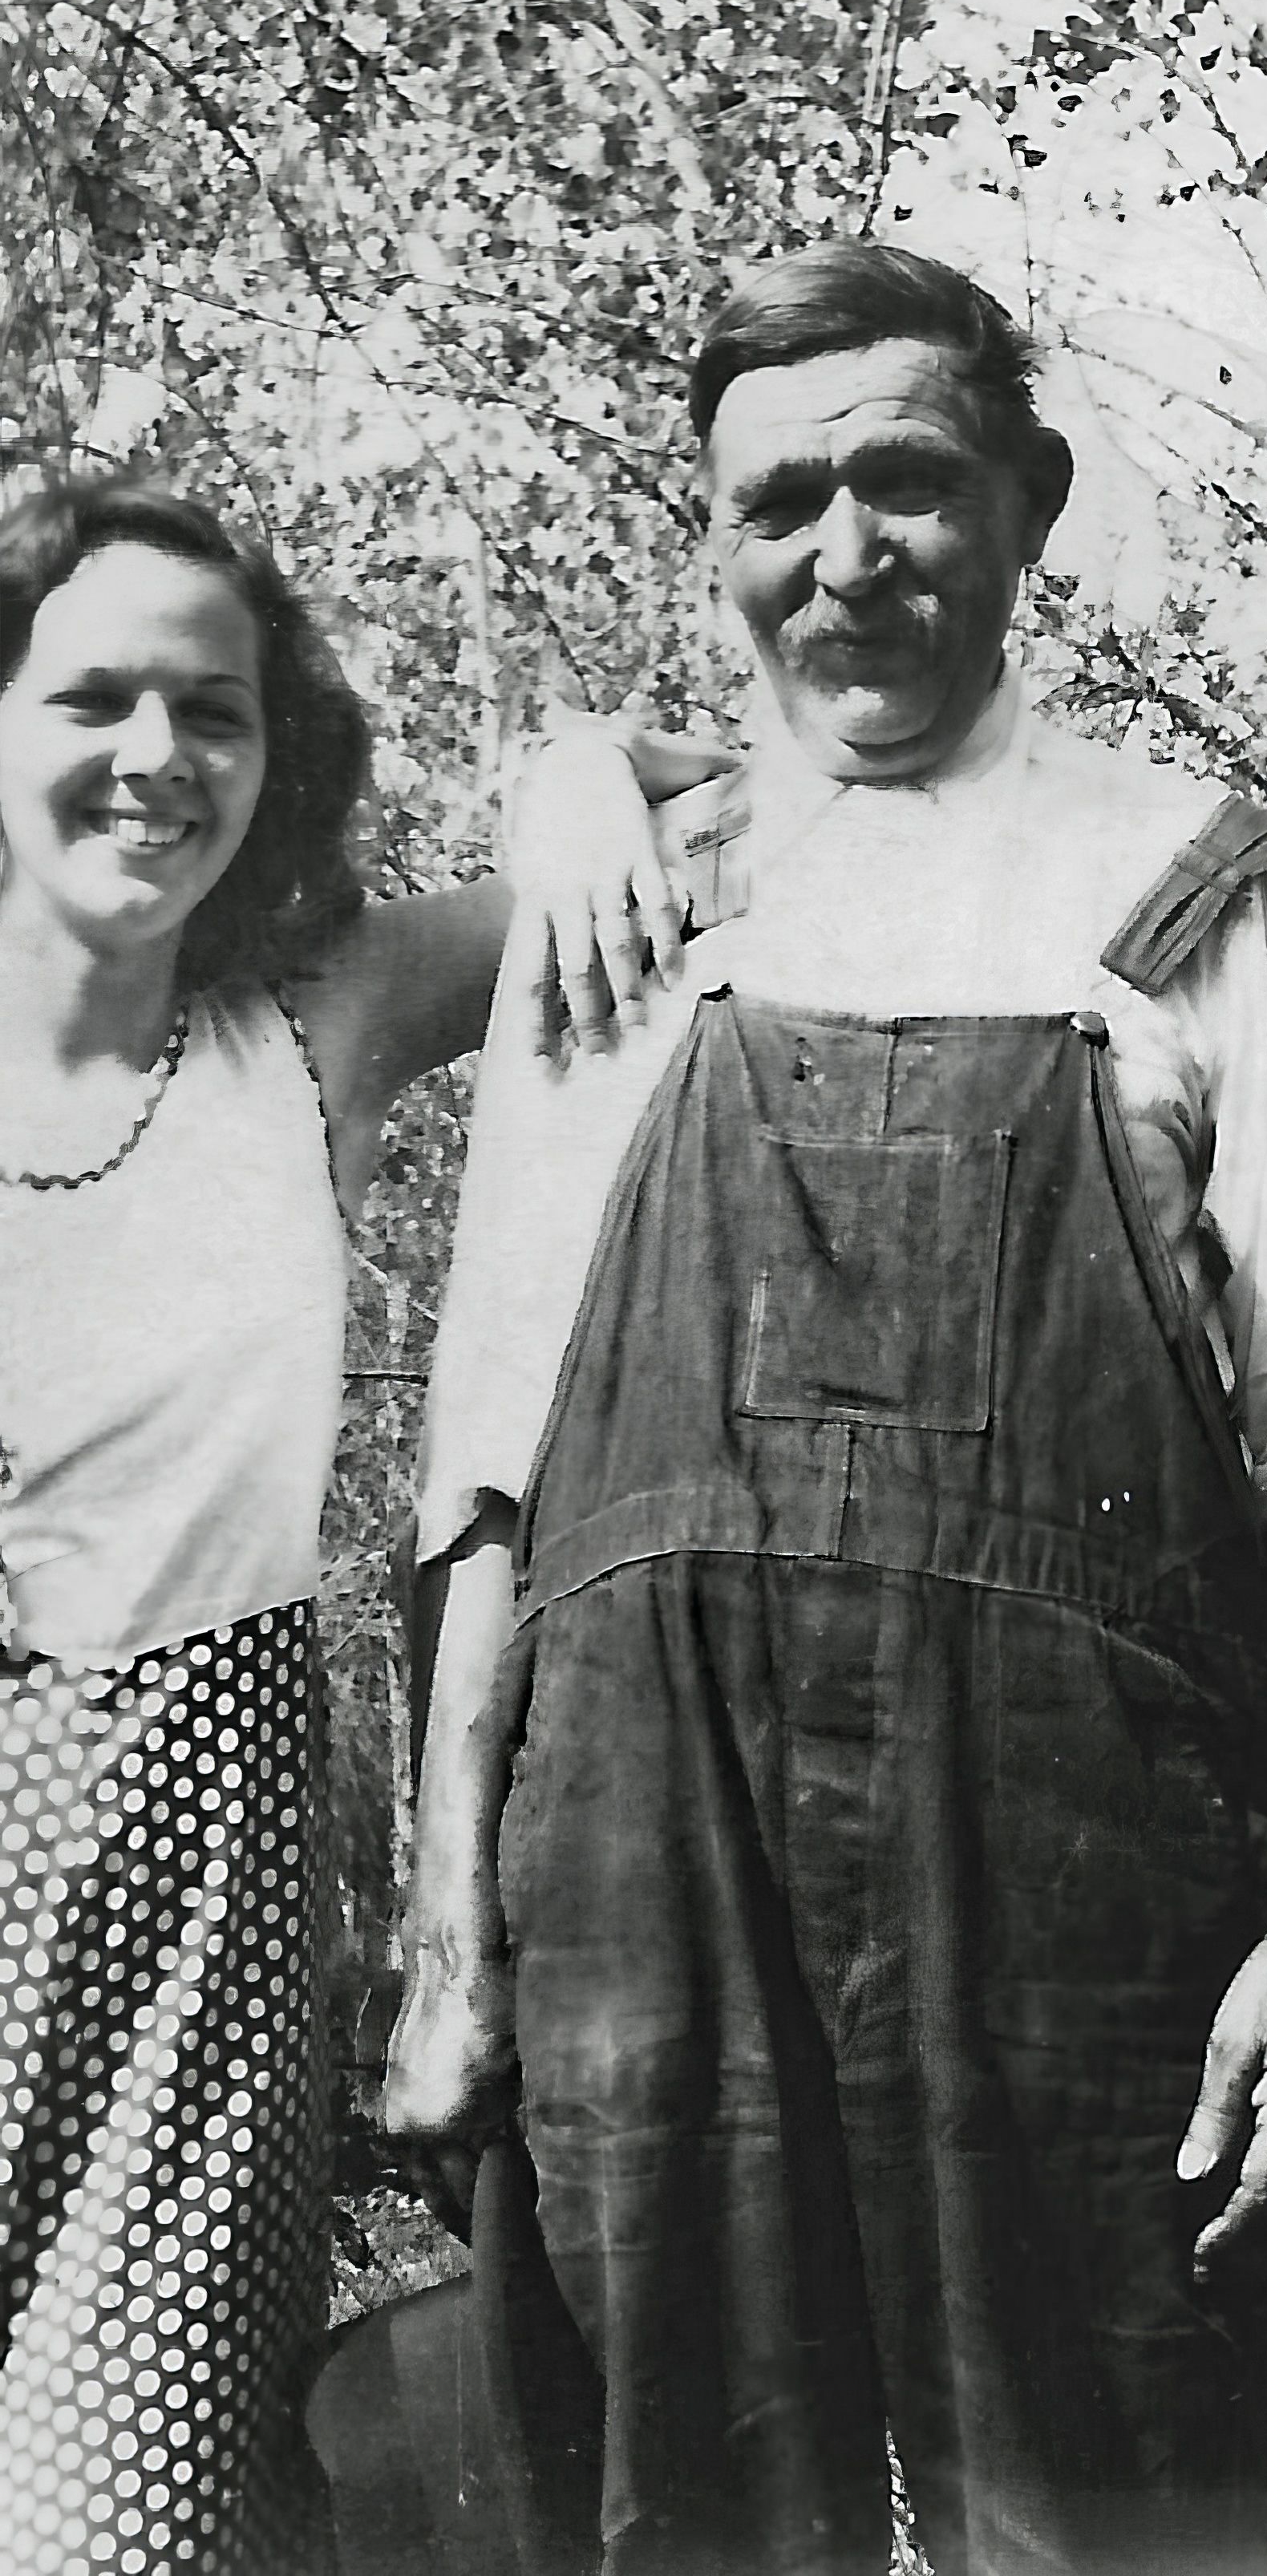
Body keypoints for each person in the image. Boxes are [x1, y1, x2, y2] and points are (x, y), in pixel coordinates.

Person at [379, 241, 1267, 2576]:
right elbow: (487, 1477)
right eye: (778, 508)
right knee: (678, 2512)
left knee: (1104, 2514)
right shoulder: (630, 904)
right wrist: (450, 1932)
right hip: (644, 1852)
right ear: (713, 543)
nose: (840, 561)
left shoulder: (1206, 892)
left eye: (905, 485)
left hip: (1076, 1862)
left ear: (1028, 500)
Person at [0, 476, 710, 2576]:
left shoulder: (296, 1040)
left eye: (213, 714)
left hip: (176, 1949)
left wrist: (575, 777)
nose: (156, 759)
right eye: (92, 698)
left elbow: (739, 790)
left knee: (127, 2535)